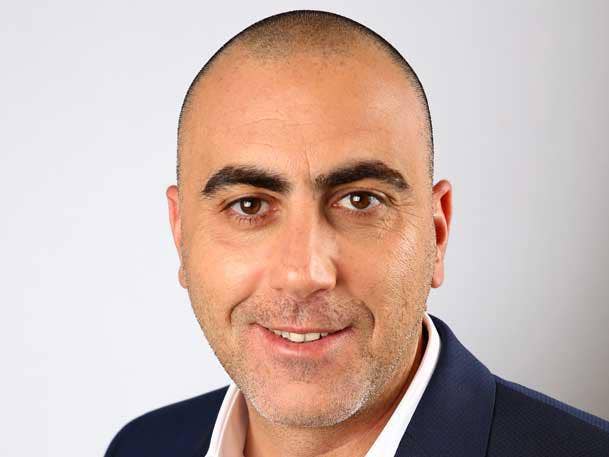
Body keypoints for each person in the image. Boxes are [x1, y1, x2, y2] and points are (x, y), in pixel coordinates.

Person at [104, 9, 609, 457]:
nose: (304, 275)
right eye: (249, 205)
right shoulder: (143, 446)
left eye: (360, 201)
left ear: (437, 234)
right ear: (181, 235)